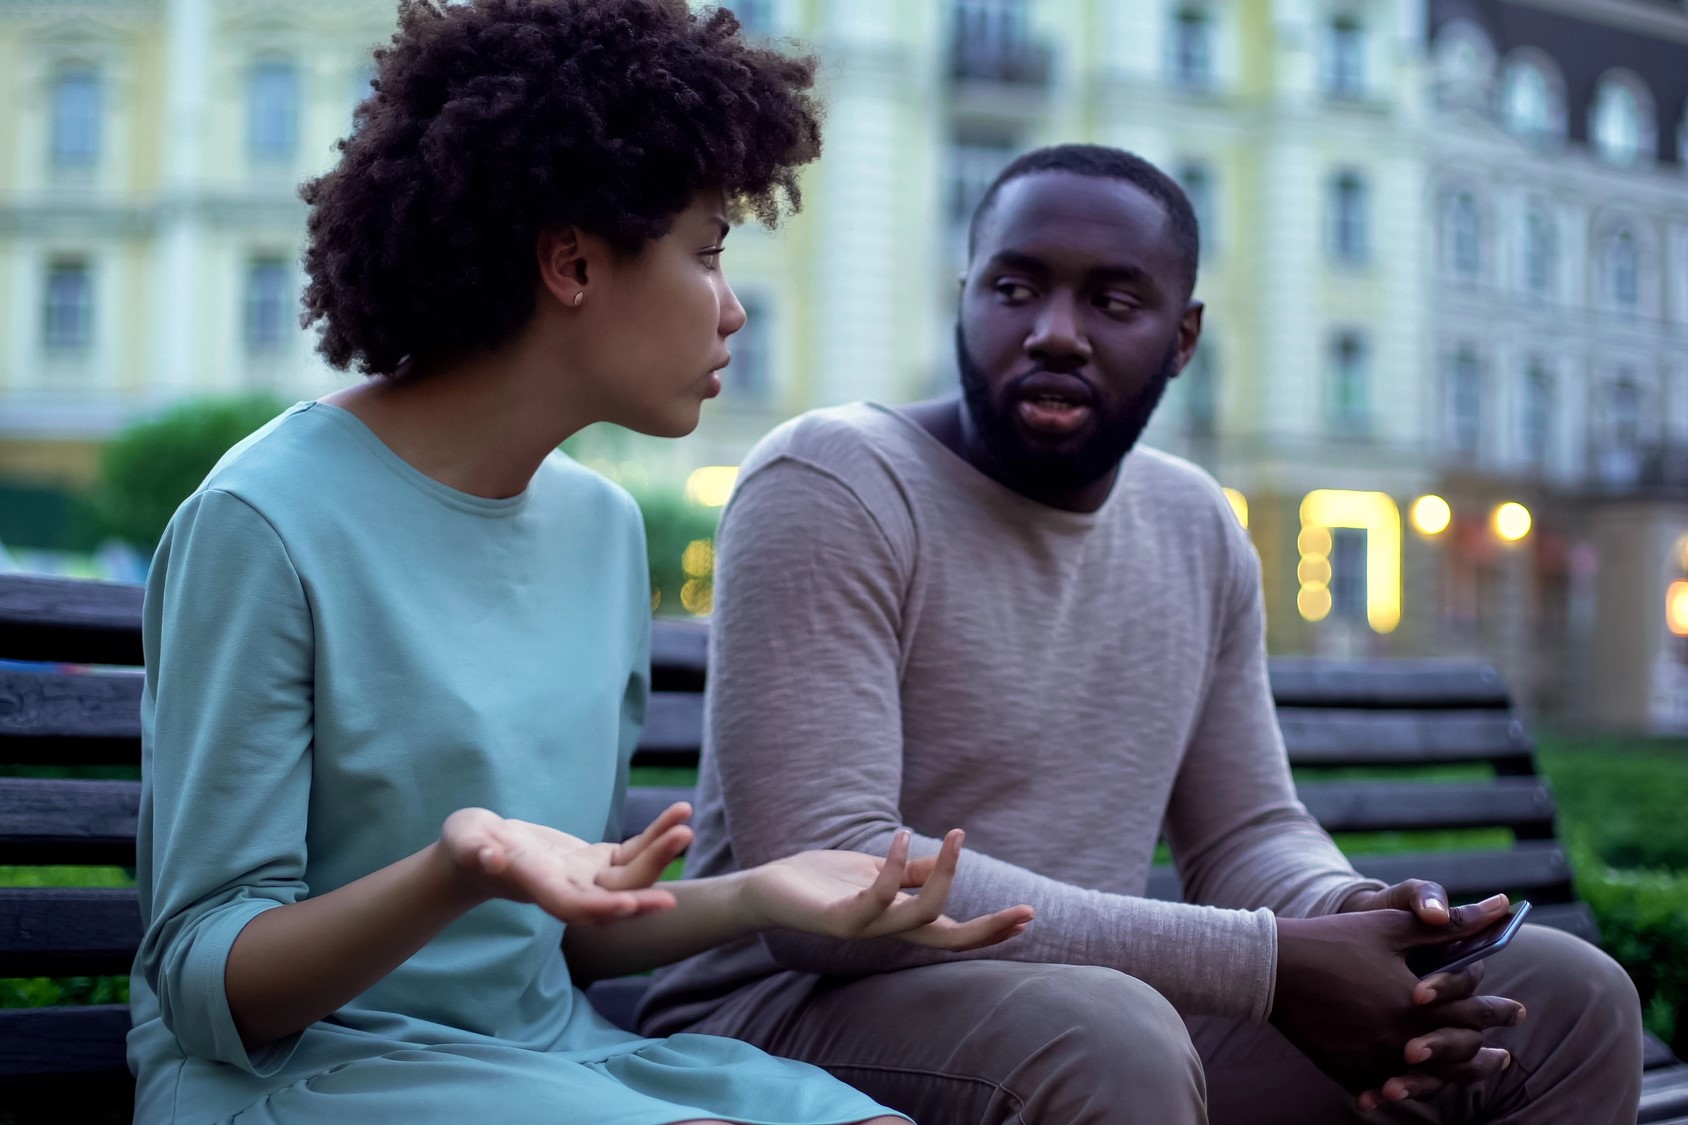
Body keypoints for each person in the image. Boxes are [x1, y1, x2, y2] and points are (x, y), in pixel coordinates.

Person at [126, 3, 1034, 1122]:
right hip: (306, 1076)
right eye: (704, 254)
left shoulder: (602, 536)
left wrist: (762, 894)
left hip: (548, 1056)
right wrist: (456, 865)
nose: (732, 307)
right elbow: (212, 982)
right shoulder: (261, 521)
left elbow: (565, 929)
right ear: (569, 261)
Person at [638, 143, 1645, 1124]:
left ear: (1182, 337)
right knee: (1107, 1033)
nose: (1054, 333)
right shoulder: (832, 481)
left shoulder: (1195, 524)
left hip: (1087, 1012)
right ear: (963, 296)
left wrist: (1347, 916)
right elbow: (838, 882)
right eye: (1014, 289)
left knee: (1563, 998)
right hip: (778, 1020)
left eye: (1112, 303)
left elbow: (1246, 833)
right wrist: (1269, 964)